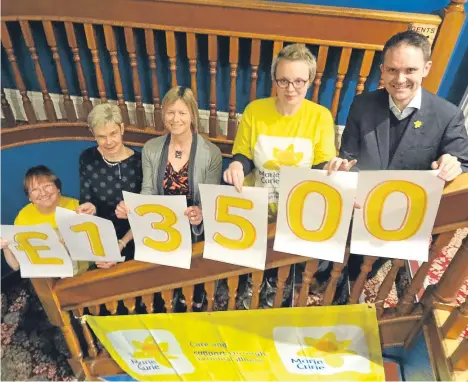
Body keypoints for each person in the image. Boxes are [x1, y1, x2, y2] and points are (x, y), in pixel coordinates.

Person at [326, 30, 468, 280]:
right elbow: (348, 153)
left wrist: (453, 164)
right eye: (392, 70)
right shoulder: (362, 104)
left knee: (367, 270)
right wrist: (345, 170)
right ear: (382, 70)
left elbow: (462, 162)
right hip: (362, 206)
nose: (400, 79)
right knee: (343, 259)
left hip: (405, 215)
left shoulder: (448, 115)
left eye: (410, 70)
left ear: (426, 68)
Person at [115, 86, 222, 311]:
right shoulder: (152, 149)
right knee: (162, 289)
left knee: (192, 293)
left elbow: (211, 199)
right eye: (170, 112)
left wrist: (200, 213)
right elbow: (148, 191)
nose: (176, 119)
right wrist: (134, 208)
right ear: (163, 114)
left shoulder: (211, 153)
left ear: (193, 115)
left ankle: (194, 300)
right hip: (163, 226)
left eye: (182, 113)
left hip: (194, 230)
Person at [223, 43, 337, 222]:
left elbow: (320, 165)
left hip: (299, 212)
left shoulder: (321, 116)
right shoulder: (254, 110)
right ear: (274, 79)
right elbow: (244, 156)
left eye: (299, 81)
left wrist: (332, 170)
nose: (290, 89)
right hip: (255, 208)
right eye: (283, 80)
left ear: (310, 80)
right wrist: (236, 166)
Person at [79, 103, 143, 268]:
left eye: (113, 133)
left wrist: (121, 244)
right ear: (93, 135)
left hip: (135, 235)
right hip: (101, 235)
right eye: (101, 136)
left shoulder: (139, 162)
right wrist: (88, 207)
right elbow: (86, 198)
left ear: (122, 128)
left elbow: (144, 214)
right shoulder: (87, 158)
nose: (108, 142)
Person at [1, 165, 95, 274]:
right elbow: (16, 265)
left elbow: (93, 252)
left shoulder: (76, 207)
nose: (43, 193)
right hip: (46, 276)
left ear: (58, 188)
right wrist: (6, 247)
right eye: (35, 189)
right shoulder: (23, 217)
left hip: (83, 272)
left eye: (47, 185)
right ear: (30, 197)